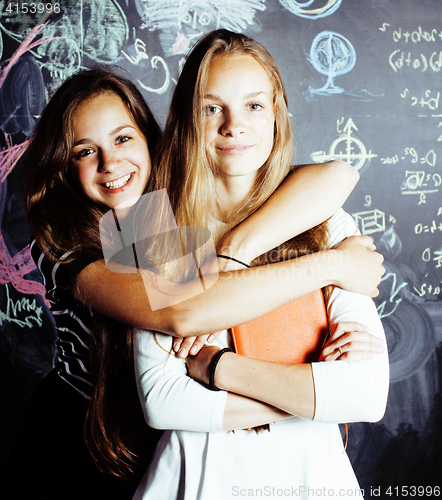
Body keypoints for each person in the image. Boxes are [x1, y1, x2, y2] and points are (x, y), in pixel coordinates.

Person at [15, 64, 381, 499]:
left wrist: (234, 254)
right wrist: (329, 269)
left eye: (123, 138)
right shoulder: (66, 245)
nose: (110, 162)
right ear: (63, 164)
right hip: (78, 439)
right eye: (83, 151)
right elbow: (182, 313)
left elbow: (334, 176)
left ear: (152, 142)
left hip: (157, 442)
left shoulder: (154, 216)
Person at [131, 29, 389, 499]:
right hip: (197, 480)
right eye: (212, 108)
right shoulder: (151, 222)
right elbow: (163, 403)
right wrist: (312, 393)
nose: (234, 126)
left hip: (312, 480)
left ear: (277, 115)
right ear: (188, 117)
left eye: (254, 105)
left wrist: (215, 367)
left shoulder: (325, 217)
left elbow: (366, 395)